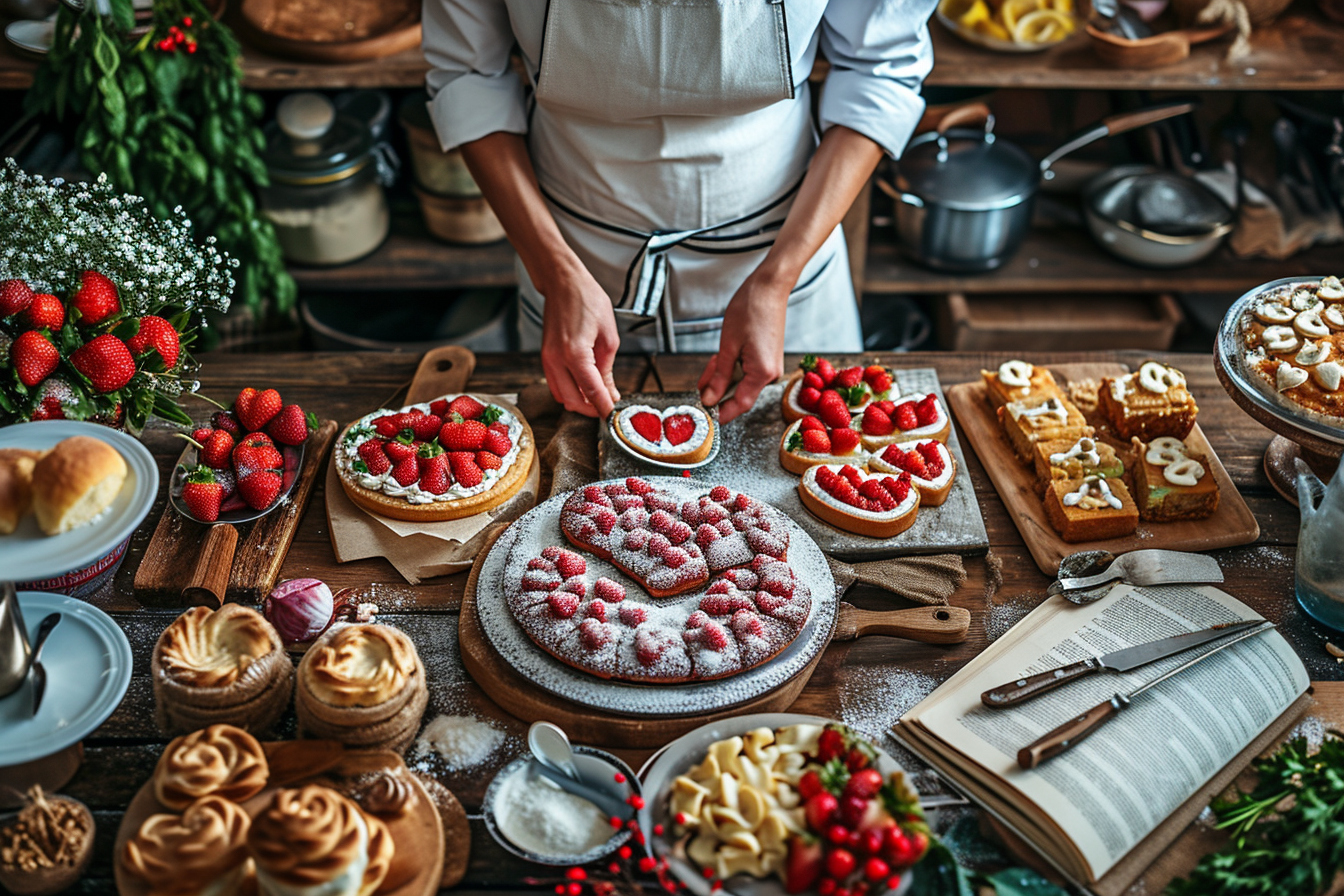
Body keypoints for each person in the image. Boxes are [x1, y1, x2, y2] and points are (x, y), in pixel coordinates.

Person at [424, 0, 937, 422]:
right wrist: (553, 269)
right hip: (573, 258)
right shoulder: (560, 269)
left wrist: (777, 279)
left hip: (785, 249)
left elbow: (879, 68)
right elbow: (469, 77)